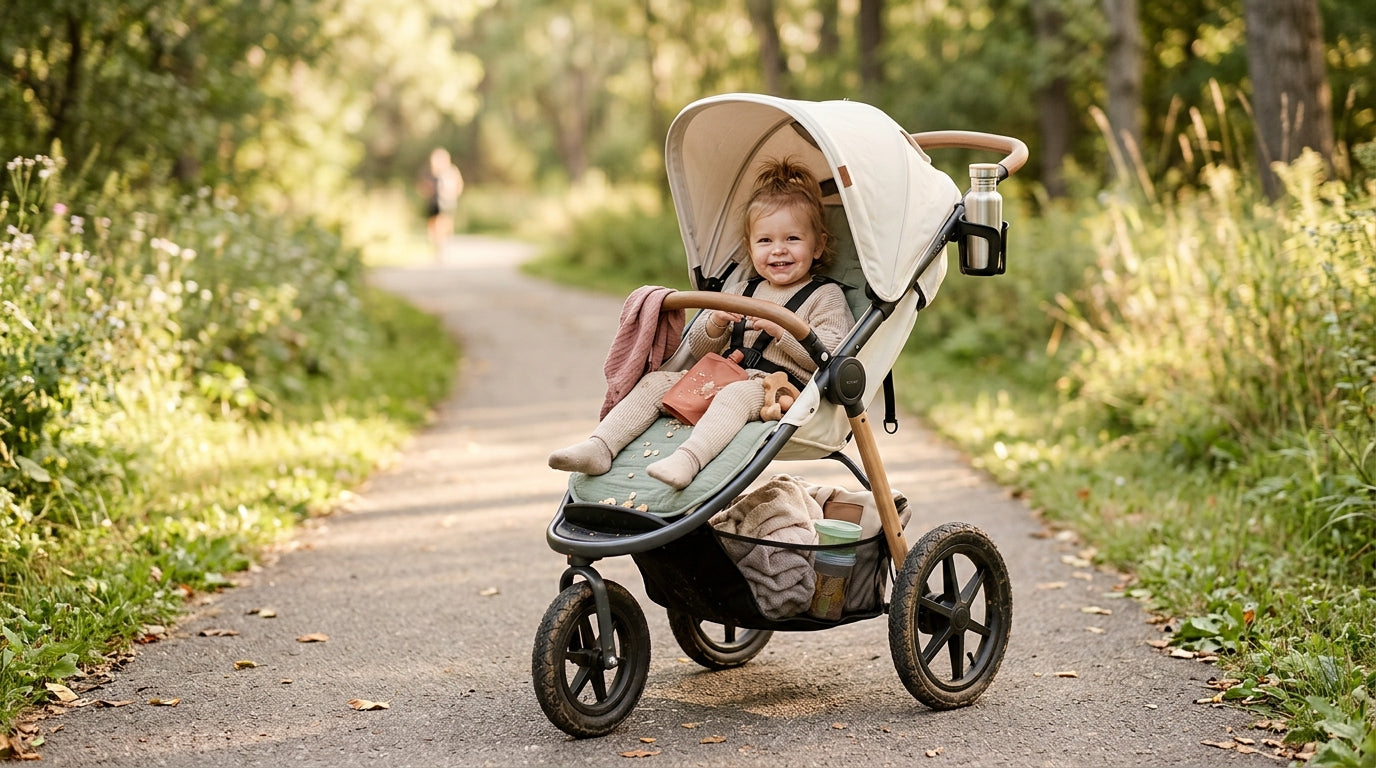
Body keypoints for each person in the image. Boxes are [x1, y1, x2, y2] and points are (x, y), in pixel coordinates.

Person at [548, 157, 854, 490]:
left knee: (735, 396)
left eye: (792, 239)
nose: (778, 250)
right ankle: (601, 446)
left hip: (777, 391)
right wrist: (716, 326)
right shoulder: (740, 291)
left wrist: (782, 330)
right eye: (765, 241)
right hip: (718, 377)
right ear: (750, 247)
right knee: (657, 383)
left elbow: (830, 355)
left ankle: (688, 459)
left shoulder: (826, 296)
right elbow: (699, 348)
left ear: (818, 244)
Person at [421, 147, 464, 258]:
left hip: (447, 201)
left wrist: (454, 193)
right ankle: (437, 243)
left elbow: (459, 184)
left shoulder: (451, 171)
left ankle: (443, 241)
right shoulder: (430, 172)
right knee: (433, 223)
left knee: (444, 222)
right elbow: (423, 186)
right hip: (434, 201)